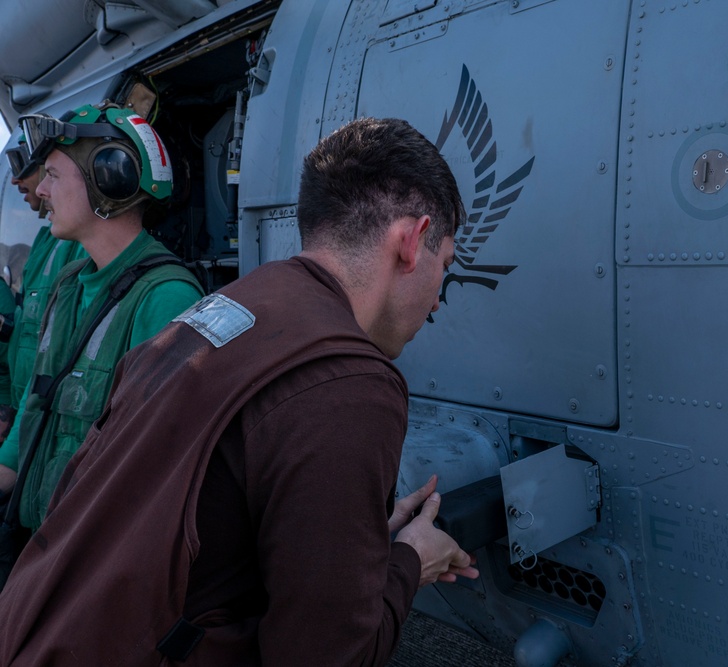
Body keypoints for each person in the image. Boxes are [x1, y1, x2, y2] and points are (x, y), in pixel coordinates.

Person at [0, 117, 477, 666]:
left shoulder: (225, 308)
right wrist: (412, 559)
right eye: (445, 265)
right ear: (412, 241)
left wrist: (362, 541)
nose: (438, 300)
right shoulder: (354, 384)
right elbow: (329, 655)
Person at [0, 103, 204, 531]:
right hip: (42, 543)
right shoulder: (70, 282)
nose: (40, 191)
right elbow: (35, 408)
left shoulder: (166, 299)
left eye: (53, 176)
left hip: (90, 558)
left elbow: (154, 471)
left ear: (109, 181)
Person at [0, 139, 87, 480]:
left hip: (46, 431)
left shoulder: (77, 247)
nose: (15, 181)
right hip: (25, 422)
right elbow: (29, 333)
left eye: (25, 165)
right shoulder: (45, 241)